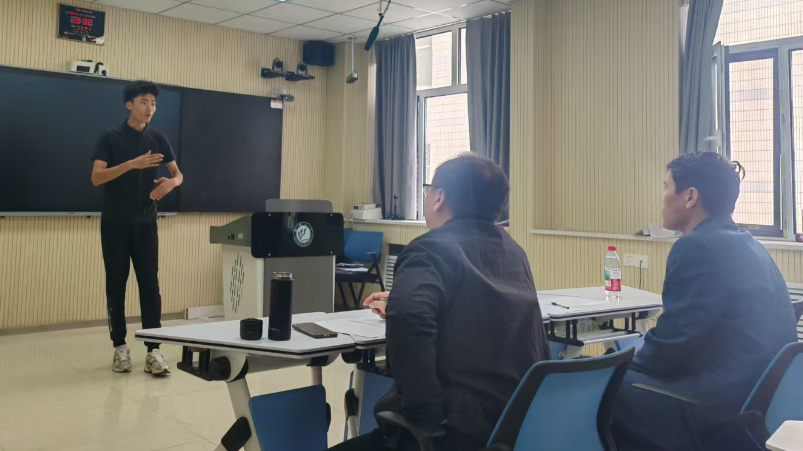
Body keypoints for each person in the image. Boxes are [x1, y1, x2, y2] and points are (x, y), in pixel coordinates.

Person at [331, 154, 551, 451]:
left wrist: (428, 413)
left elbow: (409, 321)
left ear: (439, 197)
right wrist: (403, 299)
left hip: (449, 435)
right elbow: (482, 306)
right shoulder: (514, 251)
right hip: (513, 429)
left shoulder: (427, 248)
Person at [613, 152, 798, 451]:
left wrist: (616, 362)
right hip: (762, 406)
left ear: (690, 197)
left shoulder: (697, 247)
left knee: (601, 387)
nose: (662, 198)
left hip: (718, 411)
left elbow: (669, 351)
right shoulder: (755, 248)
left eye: (666, 187)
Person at [91, 81, 183, 375]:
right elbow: (96, 177)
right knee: (116, 285)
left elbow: (178, 174)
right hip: (115, 225)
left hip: (146, 224)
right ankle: (120, 347)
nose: (150, 108)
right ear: (129, 104)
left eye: (153, 103)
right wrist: (131, 164)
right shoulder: (110, 137)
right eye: (144, 102)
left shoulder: (158, 137)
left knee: (149, 286)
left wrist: (172, 183)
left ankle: (154, 350)